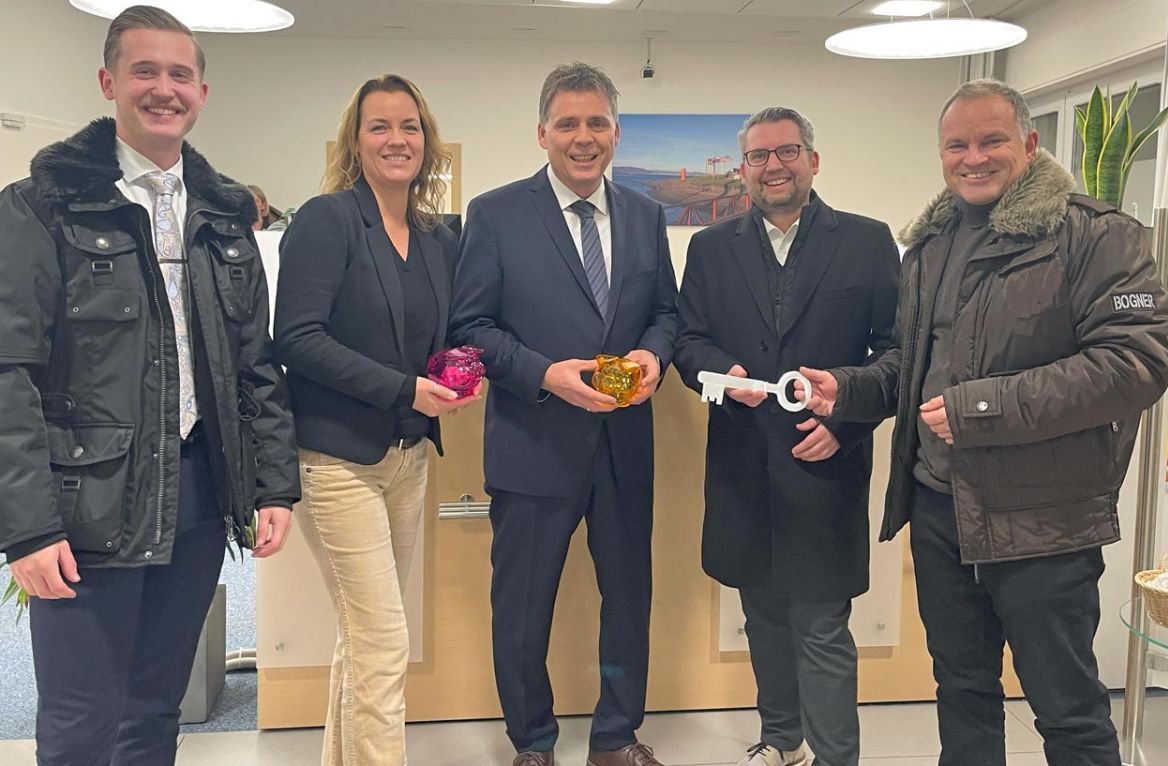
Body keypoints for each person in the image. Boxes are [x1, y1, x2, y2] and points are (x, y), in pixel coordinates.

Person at [800, 79, 1168, 766]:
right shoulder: (930, 246)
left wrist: (981, 408)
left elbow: (1135, 365)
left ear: (1029, 143)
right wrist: (847, 390)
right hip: (939, 511)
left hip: (1043, 523)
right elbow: (915, 365)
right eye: (957, 145)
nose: (973, 157)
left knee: (1067, 709)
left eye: (991, 140)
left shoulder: (1097, 236)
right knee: (962, 690)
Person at [0, 6, 298, 764]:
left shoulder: (225, 215)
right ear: (109, 83)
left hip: (198, 489)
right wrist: (28, 529)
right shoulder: (44, 205)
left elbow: (254, 361)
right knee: (82, 723)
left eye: (179, 74)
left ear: (201, 92)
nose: (164, 89)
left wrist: (272, 484)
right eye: (144, 71)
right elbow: (10, 372)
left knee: (155, 709)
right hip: (88, 497)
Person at [449, 62, 678, 766]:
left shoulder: (644, 214)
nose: (584, 137)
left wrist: (653, 356)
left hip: (623, 445)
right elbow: (471, 327)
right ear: (542, 133)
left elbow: (666, 313)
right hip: (533, 441)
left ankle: (615, 735)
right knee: (523, 609)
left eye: (597, 123)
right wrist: (543, 374)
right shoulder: (495, 214)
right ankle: (533, 741)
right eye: (568, 123)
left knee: (627, 601)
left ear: (616, 132)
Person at [675, 107, 899, 766]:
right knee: (763, 618)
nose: (773, 166)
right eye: (759, 155)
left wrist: (846, 419)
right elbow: (688, 342)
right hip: (742, 466)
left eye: (787, 152)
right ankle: (782, 741)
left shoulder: (867, 241)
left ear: (813, 161)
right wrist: (721, 375)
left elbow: (897, 353)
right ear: (743, 169)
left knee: (822, 626)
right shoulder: (711, 248)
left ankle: (835, 759)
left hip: (824, 465)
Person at [274, 74, 477, 766]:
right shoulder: (327, 220)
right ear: (355, 143)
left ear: (427, 141)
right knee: (385, 640)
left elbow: (439, 334)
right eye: (380, 126)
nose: (397, 139)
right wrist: (404, 389)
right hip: (337, 462)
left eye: (409, 126)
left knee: (364, 638)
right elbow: (297, 338)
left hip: (407, 460)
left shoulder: (436, 237)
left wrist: (457, 373)